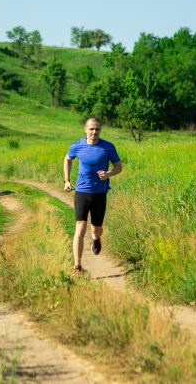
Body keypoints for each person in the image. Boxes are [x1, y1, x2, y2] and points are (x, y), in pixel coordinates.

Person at [63, 117, 122, 273]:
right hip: (82, 192)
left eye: (97, 129)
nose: (94, 132)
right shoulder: (77, 146)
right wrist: (67, 180)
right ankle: (77, 265)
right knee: (80, 228)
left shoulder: (108, 147)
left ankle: (96, 239)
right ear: (85, 130)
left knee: (96, 229)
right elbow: (68, 159)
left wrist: (108, 174)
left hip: (100, 194)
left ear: (100, 130)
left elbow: (118, 166)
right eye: (91, 129)